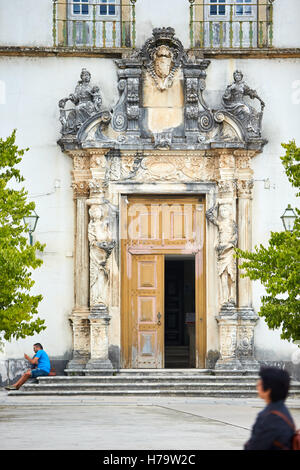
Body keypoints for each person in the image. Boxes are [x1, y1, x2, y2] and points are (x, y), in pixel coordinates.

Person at [244, 366, 296, 450]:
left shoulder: (269, 418)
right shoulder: (283, 411)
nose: (257, 385)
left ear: (268, 389)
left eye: (260, 383)